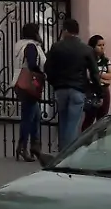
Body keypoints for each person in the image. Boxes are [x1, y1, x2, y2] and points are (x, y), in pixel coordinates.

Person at [43, 17, 101, 155]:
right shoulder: (86, 49)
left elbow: (47, 67)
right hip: (78, 89)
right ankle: (69, 154)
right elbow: (94, 73)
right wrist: (99, 92)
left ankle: (63, 152)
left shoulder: (56, 47)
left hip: (61, 89)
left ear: (66, 30)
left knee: (63, 121)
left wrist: (54, 82)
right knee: (73, 123)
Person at [11, 23, 45, 160]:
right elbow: (32, 64)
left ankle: (34, 147)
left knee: (35, 116)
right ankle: (23, 147)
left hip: (19, 83)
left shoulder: (20, 45)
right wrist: (40, 73)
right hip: (29, 85)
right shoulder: (31, 46)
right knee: (28, 118)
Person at [80, 34, 111, 132]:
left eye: (103, 45)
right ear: (92, 47)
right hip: (92, 90)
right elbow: (89, 76)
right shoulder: (88, 60)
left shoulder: (105, 60)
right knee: (89, 118)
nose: (102, 47)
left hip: (104, 90)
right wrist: (100, 76)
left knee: (103, 118)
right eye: (99, 45)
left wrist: (97, 75)